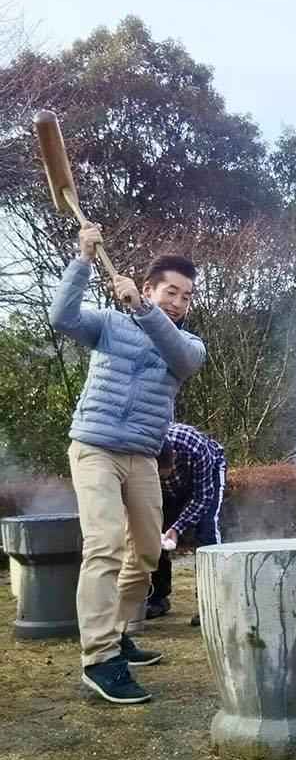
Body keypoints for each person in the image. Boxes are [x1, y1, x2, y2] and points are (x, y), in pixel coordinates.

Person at [49, 222, 205, 705]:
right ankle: (99, 658)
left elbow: (179, 356)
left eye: (185, 296)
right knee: (105, 546)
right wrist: (83, 260)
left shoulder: (188, 345)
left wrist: (144, 307)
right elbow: (61, 317)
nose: (177, 301)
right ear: (151, 285)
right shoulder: (109, 324)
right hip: (94, 447)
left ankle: (116, 633)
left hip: (141, 456)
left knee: (146, 553)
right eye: (169, 291)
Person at [147, 423, 227, 624]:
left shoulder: (196, 448)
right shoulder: (143, 452)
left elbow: (203, 497)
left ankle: (212, 602)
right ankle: (158, 597)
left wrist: (178, 527)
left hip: (205, 480)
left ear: (173, 456)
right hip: (168, 493)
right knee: (154, 531)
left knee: (207, 530)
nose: (162, 478)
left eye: (164, 473)